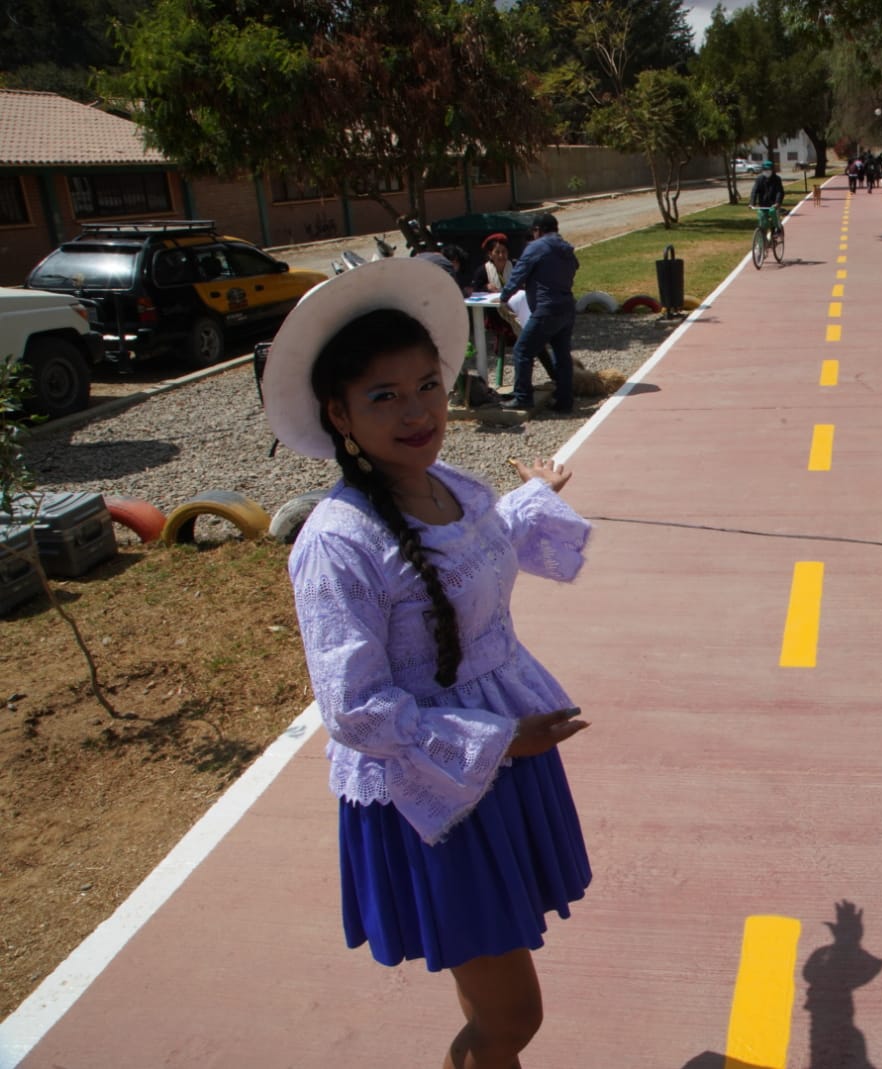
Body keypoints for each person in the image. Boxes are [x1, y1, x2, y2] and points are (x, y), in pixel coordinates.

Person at [261, 256, 593, 1069]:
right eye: (384, 396)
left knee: (495, 1008)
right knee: (511, 1019)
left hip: (496, 763)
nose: (417, 412)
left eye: (427, 387)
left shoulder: (450, 486)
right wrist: (497, 740)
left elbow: (479, 548)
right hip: (436, 787)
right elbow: (355, 707)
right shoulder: (337, 543)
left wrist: (537, 492)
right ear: (338, 413)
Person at [499, 212, 579, 414]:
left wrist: (504, 296)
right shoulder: (566, 248)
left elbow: (519, 274)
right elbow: (575, 268)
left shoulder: (536, 247)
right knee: (561, 356)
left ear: (537, 230)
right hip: (566, 307)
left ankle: (523, 397)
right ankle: (564, 400)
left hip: (546, 308)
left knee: (522, 350)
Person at [469, 232, 521, 349]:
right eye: (497, 252)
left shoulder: (515, 267)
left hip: (515, 307)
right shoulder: (483, 271)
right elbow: (475, 291)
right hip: (496, 312)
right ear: (490, 254)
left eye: (504, 252)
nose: (501, 255)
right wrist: (486, 287)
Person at [750, 160, 786, 244]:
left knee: (772, 212)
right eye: (764, 170)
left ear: (772, 170)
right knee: (762, 220)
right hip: (763, 205)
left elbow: (779, 192)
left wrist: (777, 202)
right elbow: (754, 191)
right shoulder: (759, 179)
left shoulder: (777, 179)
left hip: (773, 205)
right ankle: (761, 244)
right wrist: (752, 203)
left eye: (768, 169)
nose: (766, 171)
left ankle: (778, 229)